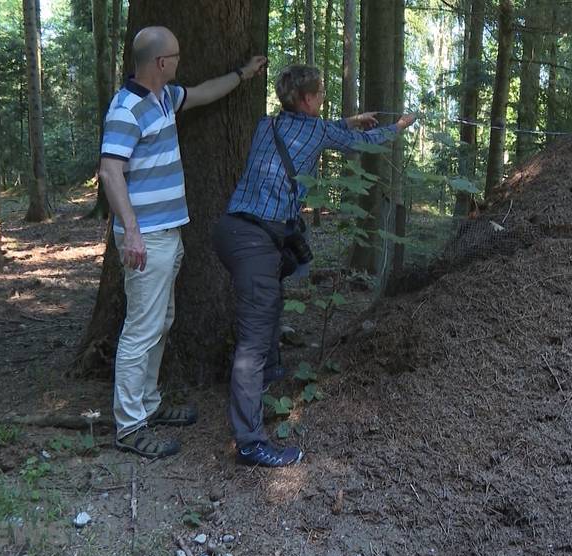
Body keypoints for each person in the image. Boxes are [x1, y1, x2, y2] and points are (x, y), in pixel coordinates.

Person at [213, 64, 416, 467]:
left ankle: (269, 381)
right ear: (307, 100)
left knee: (269, 306)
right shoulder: (319, 129)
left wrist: (346, 121)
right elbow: (366, 142)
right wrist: (399, 127)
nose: (322, 100)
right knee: (252, 342)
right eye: (320, 95)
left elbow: (307, 132)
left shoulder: (264, 125)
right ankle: (250, 442)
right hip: (256, 241)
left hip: (233, 232)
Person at [98, 26, 268, 459]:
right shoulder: (126, 108)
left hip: (167, 233)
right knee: (141, 329)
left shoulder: (163, 98)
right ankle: (130, 425)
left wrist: (243, 75)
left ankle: (149, 406)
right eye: (175, 56)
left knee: (161, 322)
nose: (179, 62)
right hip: (146, 238)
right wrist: (133, 231)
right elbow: (110, 171)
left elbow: (204, 92)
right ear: (160, 62)